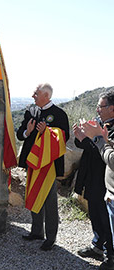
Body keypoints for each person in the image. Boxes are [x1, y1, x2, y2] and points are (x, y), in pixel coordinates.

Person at [17, 83, 69, 251]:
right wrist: (28, 132)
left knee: (49, 202)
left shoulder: (59, 114)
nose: (33, 95)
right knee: (33, 194)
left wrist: (46, 133)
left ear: (46, 95)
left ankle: (51, 237)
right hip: (32, 163)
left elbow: (63, 138)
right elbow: (20, 134)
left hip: (49, 166)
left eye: (36, 93)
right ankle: (36, 231)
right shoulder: (30, 111)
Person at [73, 91, 114, 265]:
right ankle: (97, 245)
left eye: (101, 106)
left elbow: (104, 153)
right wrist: (80, 136)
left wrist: (87, 138)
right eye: (97, 106)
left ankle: (109, 255)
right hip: (90, 175)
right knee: (95, 213)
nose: (97, 110)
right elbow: (85, 145)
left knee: (106, 218)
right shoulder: (98, 122)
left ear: (112, 109)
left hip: (103, 179)